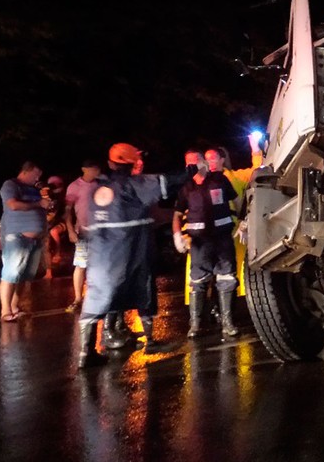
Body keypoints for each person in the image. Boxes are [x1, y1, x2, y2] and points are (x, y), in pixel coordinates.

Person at [77, 143, 187, 369]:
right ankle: (151, 342)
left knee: (98, 297)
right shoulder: (133, 185)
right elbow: (169, 182)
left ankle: (85, 353)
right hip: (130, 251)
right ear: (131, 164)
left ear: (110, 163)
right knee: (143, 291)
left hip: (100, 256)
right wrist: (194, 170)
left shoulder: (96, 190)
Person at [181, 133, 263, 308]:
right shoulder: (198, 181)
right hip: (203, 235)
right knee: (200, 276)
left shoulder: (235, 177)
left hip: (232, 232)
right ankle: (205, 313)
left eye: (213, 158)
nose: (209, 162)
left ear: (222, 160)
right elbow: (189, 208)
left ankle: (226, 310)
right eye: (206, 158)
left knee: (229, 273)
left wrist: (255, 148)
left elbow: (258, 170)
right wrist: (184, 234)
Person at [173, 149, 240, 340]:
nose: (191, 166)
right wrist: (177, 234)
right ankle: (195, 325)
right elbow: (177, 214)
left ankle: (227, 323)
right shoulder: (186, 187)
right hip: (200, 243)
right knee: (198, 282)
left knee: (227, 279)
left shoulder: (220, 181)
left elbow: (238, 200)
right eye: (188, 163)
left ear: (203, 161)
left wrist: (243, 220)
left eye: (194, 161)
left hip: (222, 239)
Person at [0, 161, 51, 322]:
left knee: (23, 275)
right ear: (25, 172)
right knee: (11, 273)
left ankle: (15, 306)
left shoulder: (34, 189)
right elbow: (13, 205)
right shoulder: (11, 185)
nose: (37, 178)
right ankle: (5, 310)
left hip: (35, 240)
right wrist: (38, 204)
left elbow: (39, 207)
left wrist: (46, 205)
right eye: (35, 175)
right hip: (17, 236)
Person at [64, 159, 102, 311]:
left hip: (100, 232)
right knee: (81, 265)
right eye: (93, 169)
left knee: (99, 265)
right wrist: (70, 229)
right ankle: (78, 298)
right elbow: (67, 210)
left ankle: (97, 297)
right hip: (83, 231)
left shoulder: (100, 185)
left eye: (97, 169)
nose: (96, 172)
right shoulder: (75, 186)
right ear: (84, 169)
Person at [41, 175, 68, 277]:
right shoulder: (43, 199)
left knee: (52, 234)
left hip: (58, 224)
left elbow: (51, 216)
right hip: (46, 225)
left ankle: (57, 253)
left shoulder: (58, 199)